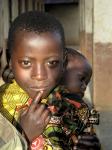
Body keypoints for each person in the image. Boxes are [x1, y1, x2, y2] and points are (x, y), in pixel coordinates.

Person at [0, 11, 100, 150]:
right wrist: (24, 136)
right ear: (10, 59)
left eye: (52, 63)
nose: (40, 75)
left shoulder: (74, 106)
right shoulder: (2, 105)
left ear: (63, 60)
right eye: (26, 63)